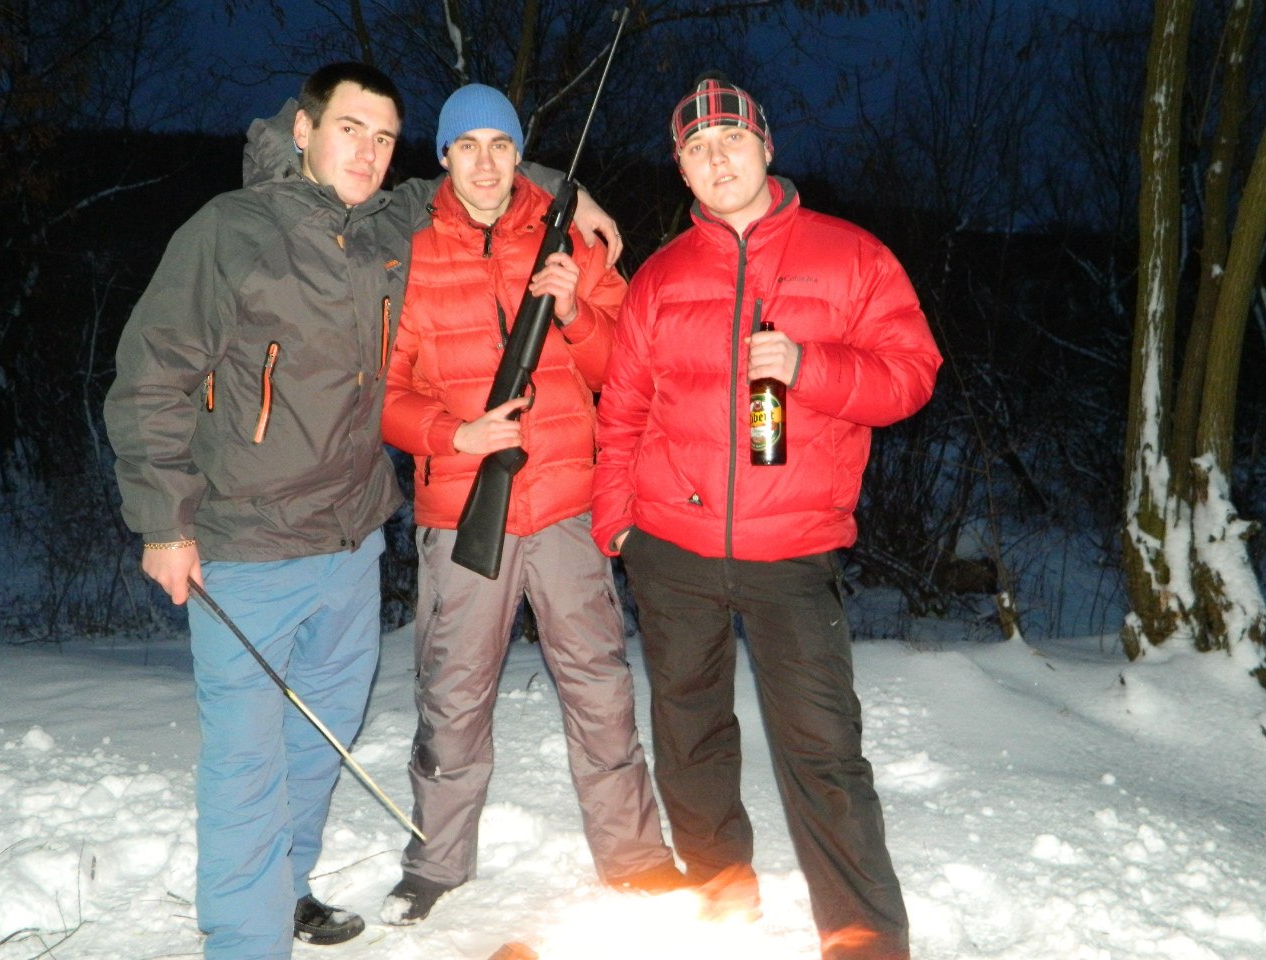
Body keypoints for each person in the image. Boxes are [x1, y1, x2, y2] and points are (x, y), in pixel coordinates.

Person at [104, 63, 620, 960]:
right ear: (304, 131)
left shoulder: (386, 223)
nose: (368, 152)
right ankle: (245, 939)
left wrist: (565, 190)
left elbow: (475, 176)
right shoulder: (230, 229)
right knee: (246, 757)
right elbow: (151, 379)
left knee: (322, 739)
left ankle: (289, 885)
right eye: (350, 130)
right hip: (244, 544)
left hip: (351, 544)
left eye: (383, 138)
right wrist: (164, 523)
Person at [590, 74, 943, 960]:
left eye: (732, 141)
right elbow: (621, 409)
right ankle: (722, 899)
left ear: (767, 146)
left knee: (823, 749)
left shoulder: (853, 256)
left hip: (794, 550)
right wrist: (619, 526)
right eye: (697, 149)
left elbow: (912, 375)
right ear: (681, 169)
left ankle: (864, 940)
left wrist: (809, 367)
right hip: (672, 548)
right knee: (690, 736)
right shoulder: (661, 276)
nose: (717, 161)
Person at [379, 84, 681, 927]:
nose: (485, 163)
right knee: (453, 692)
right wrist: (456, 435)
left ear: (520, 155)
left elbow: (628, 373)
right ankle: (436, 862)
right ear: (443, 156)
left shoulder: (573, 238)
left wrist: (577, 311)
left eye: (501, 145)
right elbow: (382, 395)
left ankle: (636, 856)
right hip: (461, 512)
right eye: (467, 145)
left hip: (567, 508)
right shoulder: (407, 254)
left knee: (600, 685)